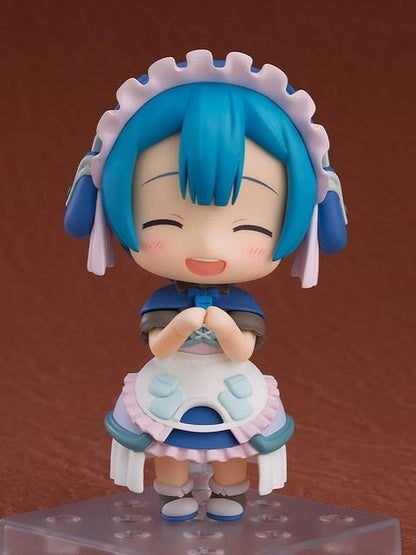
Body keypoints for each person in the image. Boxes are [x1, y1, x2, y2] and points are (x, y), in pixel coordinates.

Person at [64, 50, 347, 522]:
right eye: (166, 222)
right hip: (171, 383)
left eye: (248, 228)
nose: (207, 246)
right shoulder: (163, 302)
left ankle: (229, 493)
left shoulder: (242, 303)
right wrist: (182, 326)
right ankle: (172, 495)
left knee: (234, 448)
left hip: (229, 386)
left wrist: (221, 325)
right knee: (168, 449)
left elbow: (242, 351)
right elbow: (158, 346)